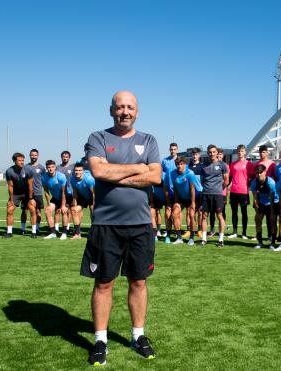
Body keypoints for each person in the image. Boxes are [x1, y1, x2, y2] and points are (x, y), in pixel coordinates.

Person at [80, 90, 161, 365]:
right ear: (111, 110)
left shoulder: (149, 140)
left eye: (130, 107)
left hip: (140, 225)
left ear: (137, 111)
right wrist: (137, 169)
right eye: (120, 107)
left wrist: (116, 173)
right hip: (106, 224)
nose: (125, 111)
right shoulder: (98, 138)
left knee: (138, 281)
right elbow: (99, 172)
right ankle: (100, 340)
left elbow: (156, 177)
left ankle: (137, 335)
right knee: (104, 283)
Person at [168, 156, 202, 246]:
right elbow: (175, 188)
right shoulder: (172, 173)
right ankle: (179, 238)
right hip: (182, 198)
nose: (179, 166)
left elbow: (192, 189)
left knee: (191, 215)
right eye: (177, 164)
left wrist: (193, 203)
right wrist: (176, 201)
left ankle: (191, 238)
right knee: (174, 214)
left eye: (181, 164)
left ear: (185, 164)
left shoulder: (190, 173)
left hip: (194, 197)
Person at [200, 144, 229, 247]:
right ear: (208, 153)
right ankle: (204, 239)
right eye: (210, 152)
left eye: (214, 152)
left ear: (217, 153)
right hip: (206, 194)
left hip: (217, 194)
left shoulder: (222, 165)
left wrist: (219, 188)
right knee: (204, 216)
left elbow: (226, 181)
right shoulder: (204, 166)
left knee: (219, 216)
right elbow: (202, 181)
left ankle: (221, 240)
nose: (212, 154)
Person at [3, 152, 37, 238]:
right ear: (14, 161)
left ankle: (33, 232)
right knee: (9, 209)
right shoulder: (9, 171)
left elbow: (30, 185)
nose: (22, 162)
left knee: (32, 209)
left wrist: (30, 198)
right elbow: (10, 186)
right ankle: (9, 232)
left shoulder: (29, 170)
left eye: (23, 160)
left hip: (27, 193)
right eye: (19, 160)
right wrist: (11, 200)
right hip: (16, 194)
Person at [228, 144, 254, 239]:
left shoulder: (249, 164)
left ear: (245, 152)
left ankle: (244, 233)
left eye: (242, 151)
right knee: (234, 212)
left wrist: (248, 185)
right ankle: (235, 232)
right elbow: (229, 178)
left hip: (244, 191)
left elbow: (252, 177)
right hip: (234, 191)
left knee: (244, 213)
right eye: (239, 151)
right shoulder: (233, 164)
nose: (240, 153)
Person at [250, 164, 278, 249]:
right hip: (262, 202)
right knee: (257, 220)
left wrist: (273, 212)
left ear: (265, 172)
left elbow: (273, 197)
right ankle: (260, 242)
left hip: (273, 202)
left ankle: (272, 243)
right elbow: (255, 196)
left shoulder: (271, 182)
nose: (259, 174)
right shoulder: (254, 182)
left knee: (272, 221)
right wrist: (257, 208)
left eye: (261, 172)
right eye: (257, 173)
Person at [42, 160, 69, 240]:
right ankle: (53, 233)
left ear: (55, 167)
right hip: (55, 198)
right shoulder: (44, 177)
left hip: (66, 196)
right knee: (47, 210)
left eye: (52, 167)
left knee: (63, 211)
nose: (50, 169)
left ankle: (64, 233)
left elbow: (64, 192)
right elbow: (46, 192)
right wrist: (48, 203)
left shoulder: (61, 176)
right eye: (48, 167)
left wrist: (63, 205)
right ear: (46, 168)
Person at [70, 162, 95, 239]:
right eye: (76, 170)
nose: (77, 172)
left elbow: (94, 193)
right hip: (82, 196)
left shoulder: (89, 179)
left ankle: (94, 232)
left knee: (93, 212)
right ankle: (77, 233)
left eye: (80, 170)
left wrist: (95, 205)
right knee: (74, 210)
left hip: (91, 195)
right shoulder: (72, 179)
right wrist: (74, 204)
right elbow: (74, 193)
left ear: (83, 171)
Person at [161, 143, 178, 243]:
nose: (173, 151)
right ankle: (168, 234)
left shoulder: (180, 161)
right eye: (171, 149)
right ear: (169, 150)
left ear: (177, 149)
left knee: (176, 214)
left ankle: (177, 234)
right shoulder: (164, 161)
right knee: (168, 214)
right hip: (167, 191)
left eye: (174, 149)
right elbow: (162, 174)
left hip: (178, 192)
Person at [24, 149, 46, 230]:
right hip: (26, 193)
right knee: (25, 211)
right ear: (29, 155)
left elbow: (44, 180)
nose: (34, 156)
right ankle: (23, 229)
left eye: (35, 155)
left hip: (38, 193)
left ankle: (37, 228)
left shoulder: (41, 167)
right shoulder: (25, 167)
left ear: (38, 155)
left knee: (38, 212)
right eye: (32, 155)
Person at [57, 150, 75, 231]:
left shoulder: (72, 167)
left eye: (66, 157)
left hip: (70, 191)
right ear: (61, 157)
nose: (65, 158)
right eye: (63, 157)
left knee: (70, 210)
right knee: (59, 209)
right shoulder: (57, 167)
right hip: (60, 192)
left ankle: (67, 226)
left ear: (69, 158)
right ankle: (57, 227)